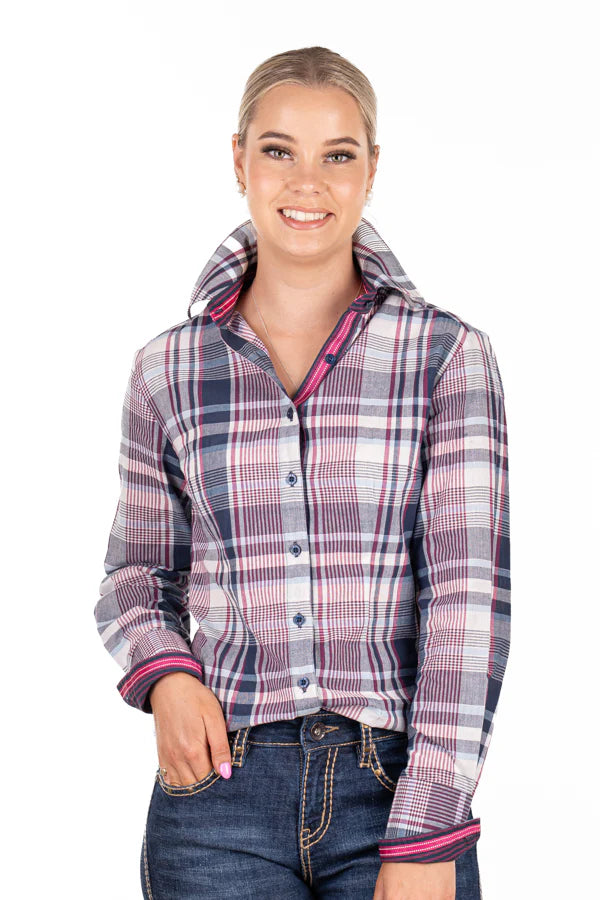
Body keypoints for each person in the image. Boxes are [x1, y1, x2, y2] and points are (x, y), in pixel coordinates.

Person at [95, 46, 510, 900]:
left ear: (372, 170)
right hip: (216, 795)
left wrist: (428, 829)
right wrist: (166, 677)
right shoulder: (167, 371)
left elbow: (467, 607)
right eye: (279, 150)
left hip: (391, 785)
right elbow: (136, 574)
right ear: (238, 160)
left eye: (338, 154)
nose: (307, 182)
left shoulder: (446, 357)